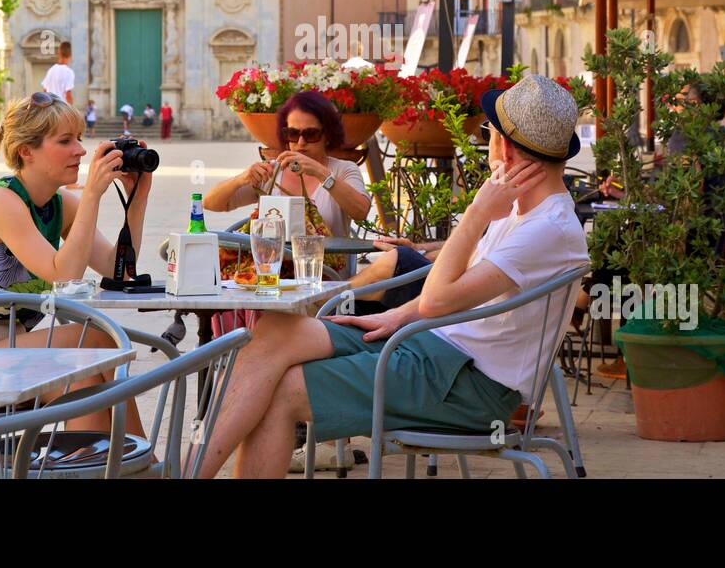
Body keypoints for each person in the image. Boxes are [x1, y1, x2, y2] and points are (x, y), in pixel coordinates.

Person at [191, 73, 588, 479]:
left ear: (503, 147)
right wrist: (396, 316)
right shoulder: (527, 212)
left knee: (285, 391)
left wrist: (476, 213)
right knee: (276, 329)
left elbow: (437, 300)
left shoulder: (546, 229)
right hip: (434, 352)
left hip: (470, 385)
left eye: (488, 133)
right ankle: (188, 473)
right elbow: (453, 290)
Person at [0, 92, 155, 435]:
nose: (81, 150)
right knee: (97, 339)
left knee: (87, 384)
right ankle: (146, 466)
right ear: (26, 151)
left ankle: (103, 468)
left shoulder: (58, 204)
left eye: (79, 139)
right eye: (65, 141)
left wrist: (137, 200)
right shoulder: (0, 201)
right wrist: (93, 195)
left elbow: (119, 270)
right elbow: (64, 274)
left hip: (5, 348)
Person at [203, 90, 372, 237]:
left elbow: (361, 211)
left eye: (311, 134)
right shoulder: (272, 171)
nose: (301, 142)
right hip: (274, 271)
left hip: (326, 271)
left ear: (327, 135)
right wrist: (241, 178)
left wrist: (321, 173)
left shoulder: (344, 170)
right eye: (292, 133)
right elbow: (211, 203)